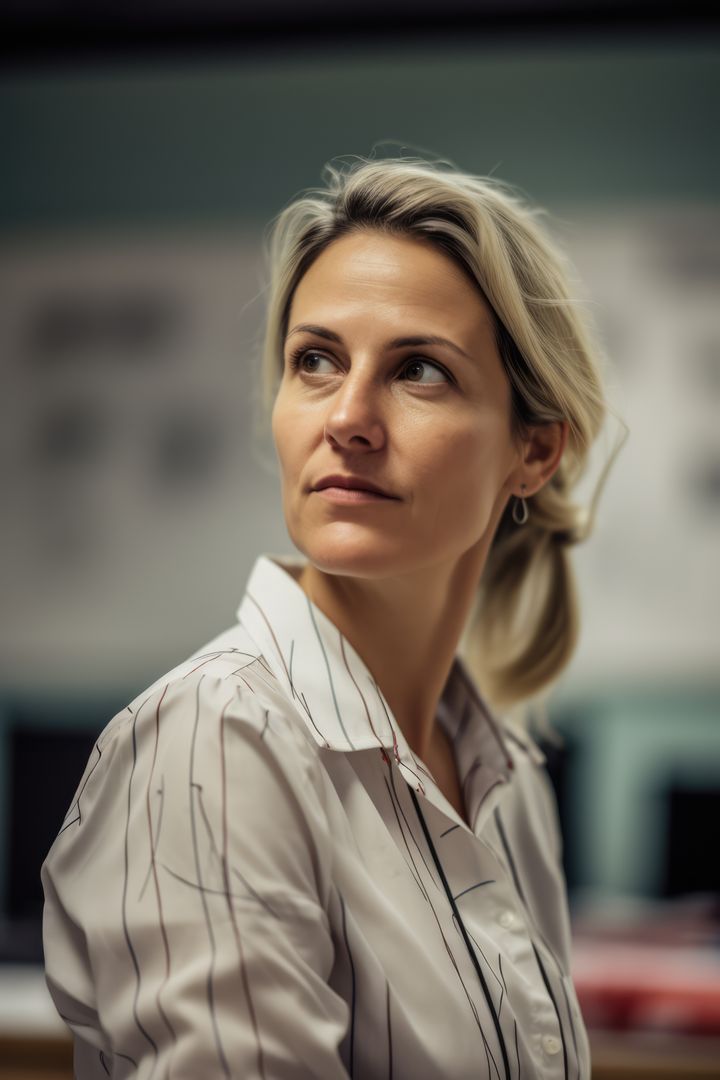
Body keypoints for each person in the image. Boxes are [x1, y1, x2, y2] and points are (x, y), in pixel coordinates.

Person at [41, 153, 624, 1079]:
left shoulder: (506, 779)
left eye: (419, 370)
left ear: (534, 450)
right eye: (315, 361)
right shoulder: (216, 746)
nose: (347, 417)